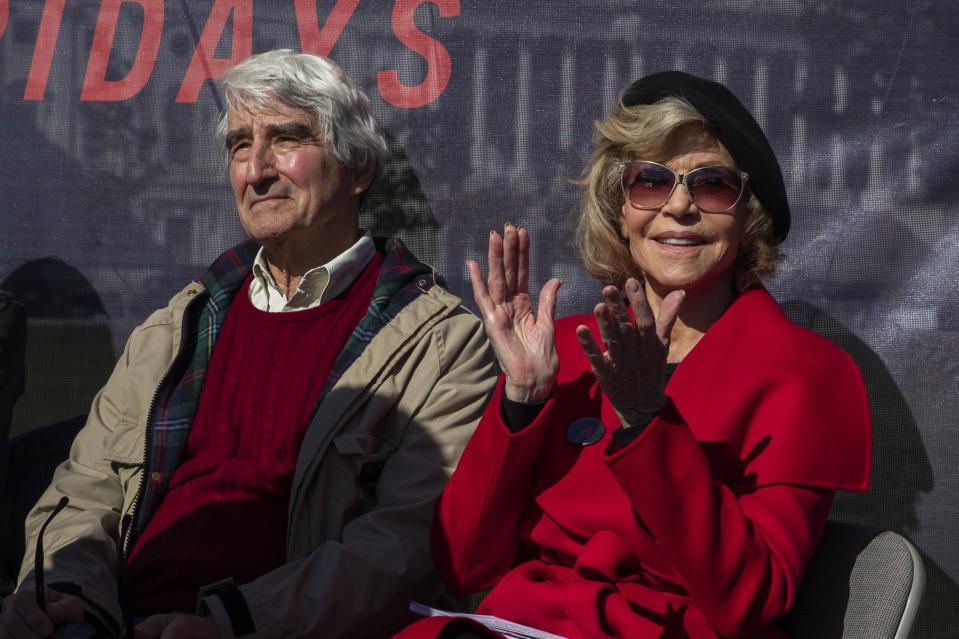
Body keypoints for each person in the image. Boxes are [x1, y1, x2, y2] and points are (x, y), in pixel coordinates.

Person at [0, 49, 497, 639]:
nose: (256, 169)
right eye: (240, 146)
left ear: (359, 167)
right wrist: (65, 596)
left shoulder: (440, 344)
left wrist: (234, 624)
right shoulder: (175, 328)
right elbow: (84, 493)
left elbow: (406, 545)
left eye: (285, 140)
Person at [395, 72, 871, 639]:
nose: (679, 207)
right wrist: (521, 398)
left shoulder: (805, 374)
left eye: (712, 184)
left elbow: (751, 599)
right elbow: (465, 564)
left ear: (750, 217)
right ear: (619, 209)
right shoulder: (565, 346)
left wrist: (648, 421)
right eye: (650, 181)